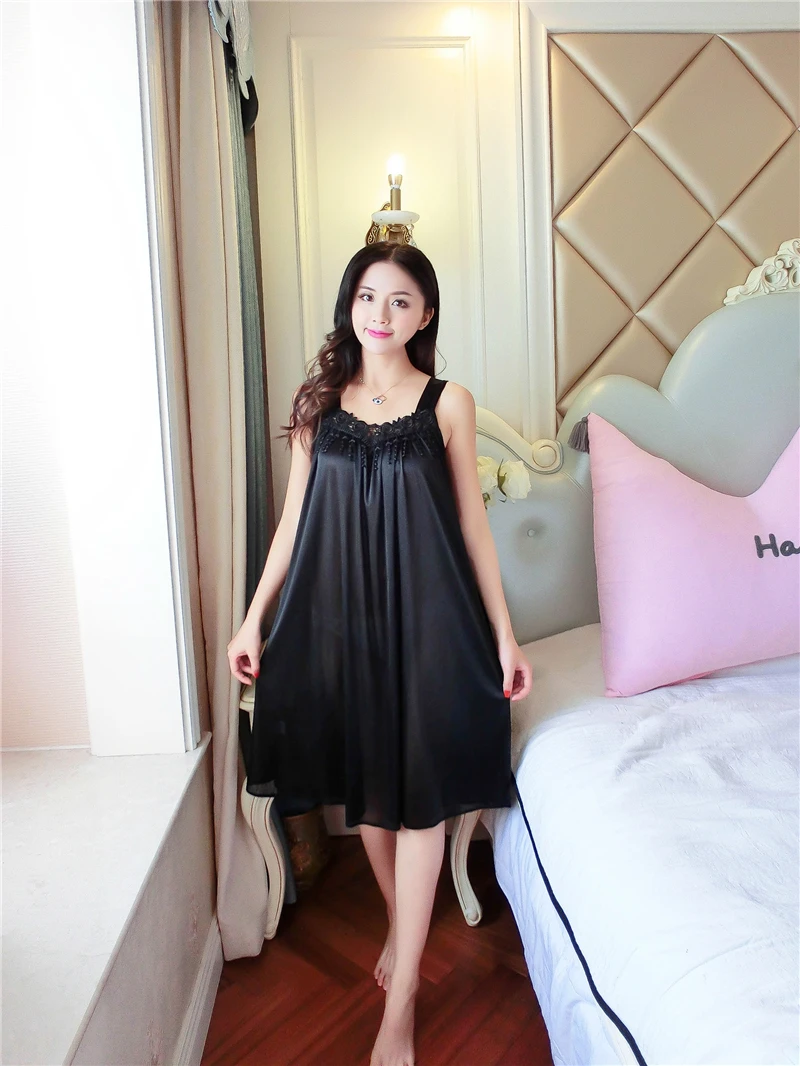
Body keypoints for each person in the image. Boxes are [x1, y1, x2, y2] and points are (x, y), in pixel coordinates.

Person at [227, 242, 533, 1066]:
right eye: (368, 296)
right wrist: (253, 621)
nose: (381, 313)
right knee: (370, 797)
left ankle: (400, 1009)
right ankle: (404, 924)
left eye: (400, 300)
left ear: (425, 314)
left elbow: (472, 526)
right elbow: (292, 525)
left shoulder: (448, 402)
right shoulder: (319, 407)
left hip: (434, 622)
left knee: (422, 801)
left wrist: (504, 634)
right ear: (350, 304)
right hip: (341, 622)